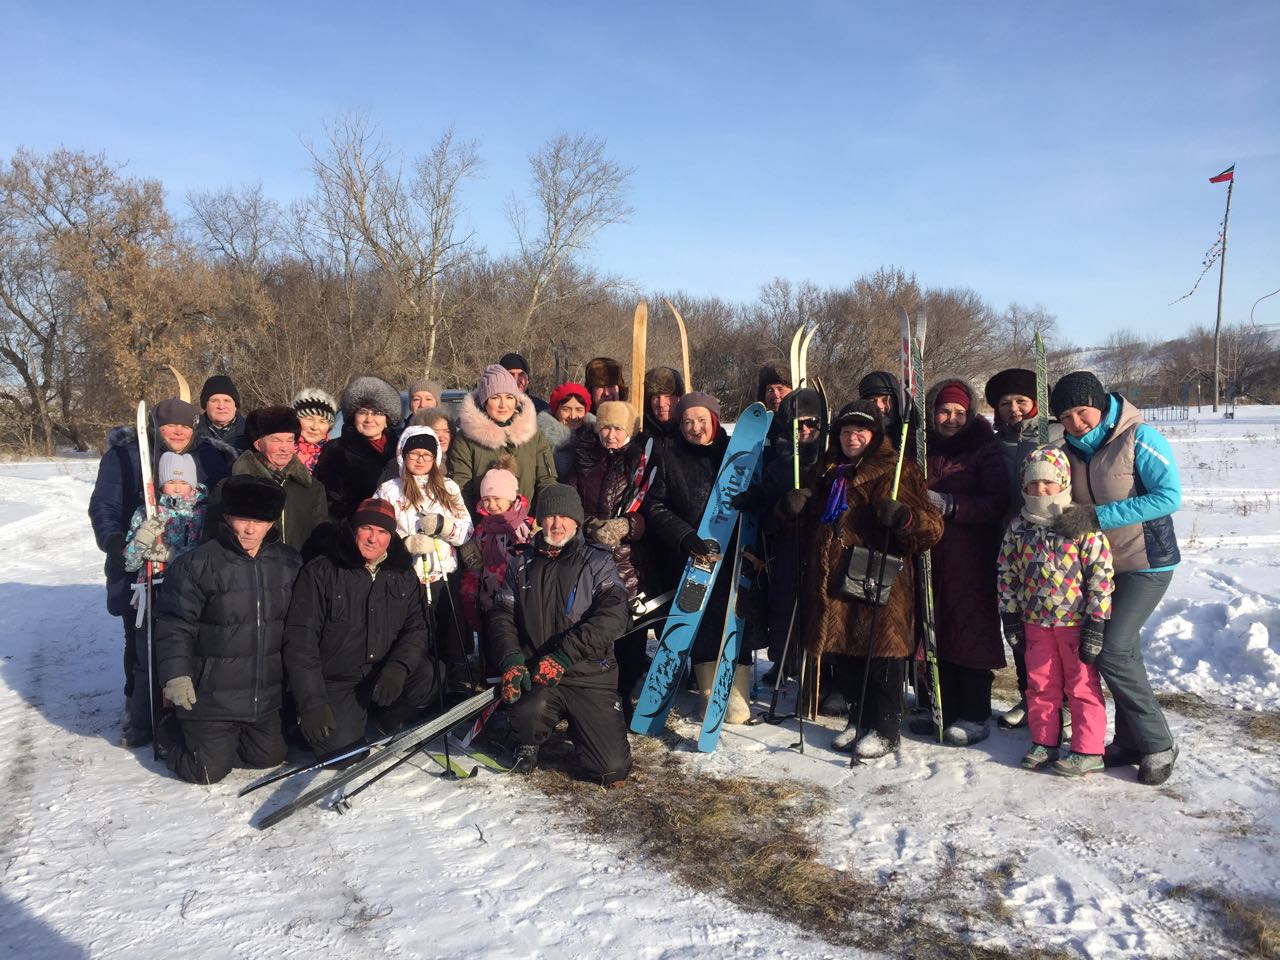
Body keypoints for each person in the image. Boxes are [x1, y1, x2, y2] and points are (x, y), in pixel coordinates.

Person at [1049, 371, 1182, 785]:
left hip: (1148, 562)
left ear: (1101, 403)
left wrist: (1097, 518)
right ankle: (1128, 741)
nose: (1076, 422)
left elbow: (1168, 496)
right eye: (1066, 416)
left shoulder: (1139, 437)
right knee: (1121, 653)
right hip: (1101, 569)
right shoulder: (1066, 450)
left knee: (1113, 650)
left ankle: (1159, 743)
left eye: (1082, 411)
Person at [89, 396, 234, 748]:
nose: (178, 431)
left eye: (184, 425)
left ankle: (182, 710)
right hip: (139, 566)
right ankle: (137, 706)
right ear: (156, 428)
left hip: (189, 570)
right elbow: (105, 504)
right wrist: (118, 543)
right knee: (140, 640)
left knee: (189, 640)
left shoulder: (211, 457)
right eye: (170, 425)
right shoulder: (125, 455)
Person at [800, 401, 942, 758]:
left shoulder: (897, 470)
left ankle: (885, 727)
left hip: (880, 575)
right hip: (836, 575)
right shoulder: (829, 471)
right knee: (847, 652)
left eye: (860, 432)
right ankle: (859, 718)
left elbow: (932, 527)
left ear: (875, 436)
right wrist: (794, 507)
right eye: (846, 432)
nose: (852, 438)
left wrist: (905, 519)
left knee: (881, 655)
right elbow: (811, 523)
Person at [153, 475, 302, 784]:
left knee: (270, 756)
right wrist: (176, 675)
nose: (250, 529)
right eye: (242, 519)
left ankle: (224, 741)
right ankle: (171, 731)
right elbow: (174, 624)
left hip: (263, 697)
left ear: (272, 522)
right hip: (209, 697)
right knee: (206, 771)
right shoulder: (197, 565)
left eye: (260, 521)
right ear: (226, 517)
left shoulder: (289, 563)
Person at [485, 484, 632, 785]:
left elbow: (615, 616)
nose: (556, 524)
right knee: (527, 716)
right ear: (539, 520)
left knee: (612, 769)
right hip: (538, 673)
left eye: (564, 517)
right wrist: (511, 659)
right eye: (549, 516)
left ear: (577, 521)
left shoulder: (598, 562)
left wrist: (565, 654)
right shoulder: (520, 564)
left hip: (588, 674)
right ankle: (528, 739)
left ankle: (585, 728)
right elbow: (502, 616)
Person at [283, 498, 442, 757]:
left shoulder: (402, 573)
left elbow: (418, 628)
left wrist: (398, 668)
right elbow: (300, 640)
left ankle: (384, 722)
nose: (373, 538)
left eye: (382, 532)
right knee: (343, 755)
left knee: (433, 674)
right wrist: (311, 701)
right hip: (337, 679)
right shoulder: (322, 571)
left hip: (382, 671)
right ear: (353, 529)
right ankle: (311, 722)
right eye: (367, 528)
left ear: (391, 537)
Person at [997, 447, 1114, 777]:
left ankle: (1088, 748)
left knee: (1081, 687)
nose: (1041, 490)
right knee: (1040, 685)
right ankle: (1044, 741)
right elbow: (1007, 573)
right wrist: (1010, 614)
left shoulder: (1079, 523)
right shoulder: (1019, 527)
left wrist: (1096, 621)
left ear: (1063, 482)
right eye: (1033, 484)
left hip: (1074, 623)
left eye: (1048, 482)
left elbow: (1101, 575)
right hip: (1036, 624)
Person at [642, 391, 751, 722]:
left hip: (734, 551)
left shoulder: (735, 451)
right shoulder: (668, 453)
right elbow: (654, 504)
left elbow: (756, 489)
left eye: (701, 420)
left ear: (714, 420)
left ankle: (737, 690)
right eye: (688, 421)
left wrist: (753, 502)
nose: (695, 428)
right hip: (694, 555)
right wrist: (685, 535)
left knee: (733, 614)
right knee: (700, 620)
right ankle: (707, 691)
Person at [916, 377, 1010, 746]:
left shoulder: (983, 447)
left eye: (958, 412)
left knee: (968, 629)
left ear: (969, 414)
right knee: (929, 627)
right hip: (927, 551)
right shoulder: (923, 445)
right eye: (943, 411)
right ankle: (936, 704)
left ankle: (973, 712)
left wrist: (953, 506)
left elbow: (997, 501)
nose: (951, 418)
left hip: (970, 552)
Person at [984, 367, 1065, 729]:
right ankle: (1030, 695)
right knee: (1018, 624)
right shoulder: (993, 441)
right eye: (1005, 403)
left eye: (1021, 400)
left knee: (1058, 627)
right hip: (1011, 543)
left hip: (1057, 545)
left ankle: (1063, 702)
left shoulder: (1059, 436)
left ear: (1037, 402)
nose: (1013, 408)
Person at [565, 401, 649, 715]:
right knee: (596, 622)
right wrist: (590, 525)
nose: (611, 435)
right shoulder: (584, 459)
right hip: (590, 553)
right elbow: (571, 500)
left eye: (618, 429)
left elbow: (649, 509)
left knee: (630, 626)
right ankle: (595, 689)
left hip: (629, 557)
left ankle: (626, 688)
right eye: (606, 428)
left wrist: (628, 525)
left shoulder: (640, 462)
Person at [375, 426, 474, 689]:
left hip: (443, 574)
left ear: (436, 458)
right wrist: (404, 545)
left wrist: (444, 526)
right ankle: (419, 686)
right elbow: (376, 532)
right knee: (415, 635)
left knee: (448, 632)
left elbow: (467, 530)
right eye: (414, 454)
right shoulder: (389, 490)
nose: (420, 460)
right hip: (407, 577)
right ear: (402, 456)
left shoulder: (448, 487)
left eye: (426, 455)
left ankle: (454, 683)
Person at [209, 406, 329, 556]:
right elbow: (213, 539)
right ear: (259, 445)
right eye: (276, 440)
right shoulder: (229, 487)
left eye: (290, 440)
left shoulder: (312, 488)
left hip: (298, 573)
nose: (285, 448)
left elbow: (321, 540)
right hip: (246, 573)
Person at [450, 364, 556, 518]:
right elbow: (461, 487)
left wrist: (542, 518)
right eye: (495, 397)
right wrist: (472, 525)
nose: (503, 405)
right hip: (484, 527)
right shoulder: (467, 438)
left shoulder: (532, 434)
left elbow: (546, 480)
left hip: (528, 524)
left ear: (516, 400)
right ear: (485, 401)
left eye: (509, 397)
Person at [459, 461, 533, 634]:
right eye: (486, 499)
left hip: (521, 601)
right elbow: (473, 566)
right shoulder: (481, 530)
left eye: (497, 499)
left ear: (510, 498)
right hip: (490, 600)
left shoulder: (527, 527)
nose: (491, 505)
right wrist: (470, 597)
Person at [315, 375, 403, 521]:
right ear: (353, 416)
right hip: (353, 531)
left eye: (377, 413)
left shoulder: (400, 449)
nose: (369, 419)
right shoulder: (336, 450)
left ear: (387, 418)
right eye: (363, 412)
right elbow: (325, 502)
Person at [123, 452, 207, 573]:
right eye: (171, 482)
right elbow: (129, 565)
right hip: (153, 582)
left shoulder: (201, 513)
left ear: (193, 486)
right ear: (161, 485)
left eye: (184, 483)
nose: (177, 488)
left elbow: (207, 558)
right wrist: (140, 542)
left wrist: (171, 554)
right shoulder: (146, 511)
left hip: (188, 583)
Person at [538, 381, 595, 478]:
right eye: (566, 409)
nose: (573, 416)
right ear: (556, 411)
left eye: (579, 410)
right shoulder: (539, 440)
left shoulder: (596, 439)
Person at [196, 374, 249, 454]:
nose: (221, 406)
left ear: (235, 405)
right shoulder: (191, 433)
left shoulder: (251, 432)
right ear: (205, 406)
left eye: (226, 401)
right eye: (214, 401)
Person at [292, 387, 337, 474]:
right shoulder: (281, 448)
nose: (315, 427)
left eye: (322, 421)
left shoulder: (334, 454)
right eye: (309, 419)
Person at [857, 371, 906, 449]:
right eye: (872, 401)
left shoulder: (908, 433)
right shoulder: (855, 434)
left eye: (885, 400)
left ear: (896, 401)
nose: (879, 406)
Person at [642, 365, 685, 451]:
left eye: (668, 396)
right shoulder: (640, 432)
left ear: (679, 398)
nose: (661, 404)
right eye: (656, 397)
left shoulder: (688, 432)